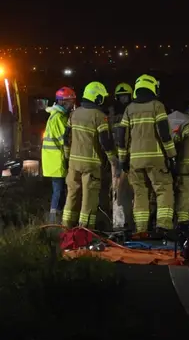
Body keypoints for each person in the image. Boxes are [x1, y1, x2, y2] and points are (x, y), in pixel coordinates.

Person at [117, 74, 176, 234]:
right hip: (156, 159)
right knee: (163, 189)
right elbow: (164, 133)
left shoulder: (129, 109)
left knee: (140, 193)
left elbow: (122, 136)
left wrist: (123, 159)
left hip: (135, 161)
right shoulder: (157, 106)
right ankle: (163, 226)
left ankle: (141, 229)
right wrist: (171, 155)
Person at [61, 82, 117, 228]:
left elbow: (66, 138)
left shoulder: (74, 113)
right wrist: (113, 161)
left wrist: (67, 158)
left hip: (73, 163)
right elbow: (105, 141)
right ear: (96, 97)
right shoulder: (99, 116)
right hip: (91, 165)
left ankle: (66, 228)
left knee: (71, 196)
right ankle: (85, 231)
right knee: (88, 199)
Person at [41, 87, 76, 224]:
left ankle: (57, 219)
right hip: (57, 159)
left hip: (54, 159)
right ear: (62, 102)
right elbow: (65, 139)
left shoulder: (56, 116)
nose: (72, 105)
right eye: (70, 102)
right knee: (59, 191)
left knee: (59, 190)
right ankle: (54, 221)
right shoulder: (59, 118)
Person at [109, 83, 134, 230]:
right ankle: (119, 222)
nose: (123, 99)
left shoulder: (131, 111)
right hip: (118, 157)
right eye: (121, 96)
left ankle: (128, 222)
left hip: (128, 155)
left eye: (125, 96)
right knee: (117, 190)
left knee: (130, 190)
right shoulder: (114, 113)